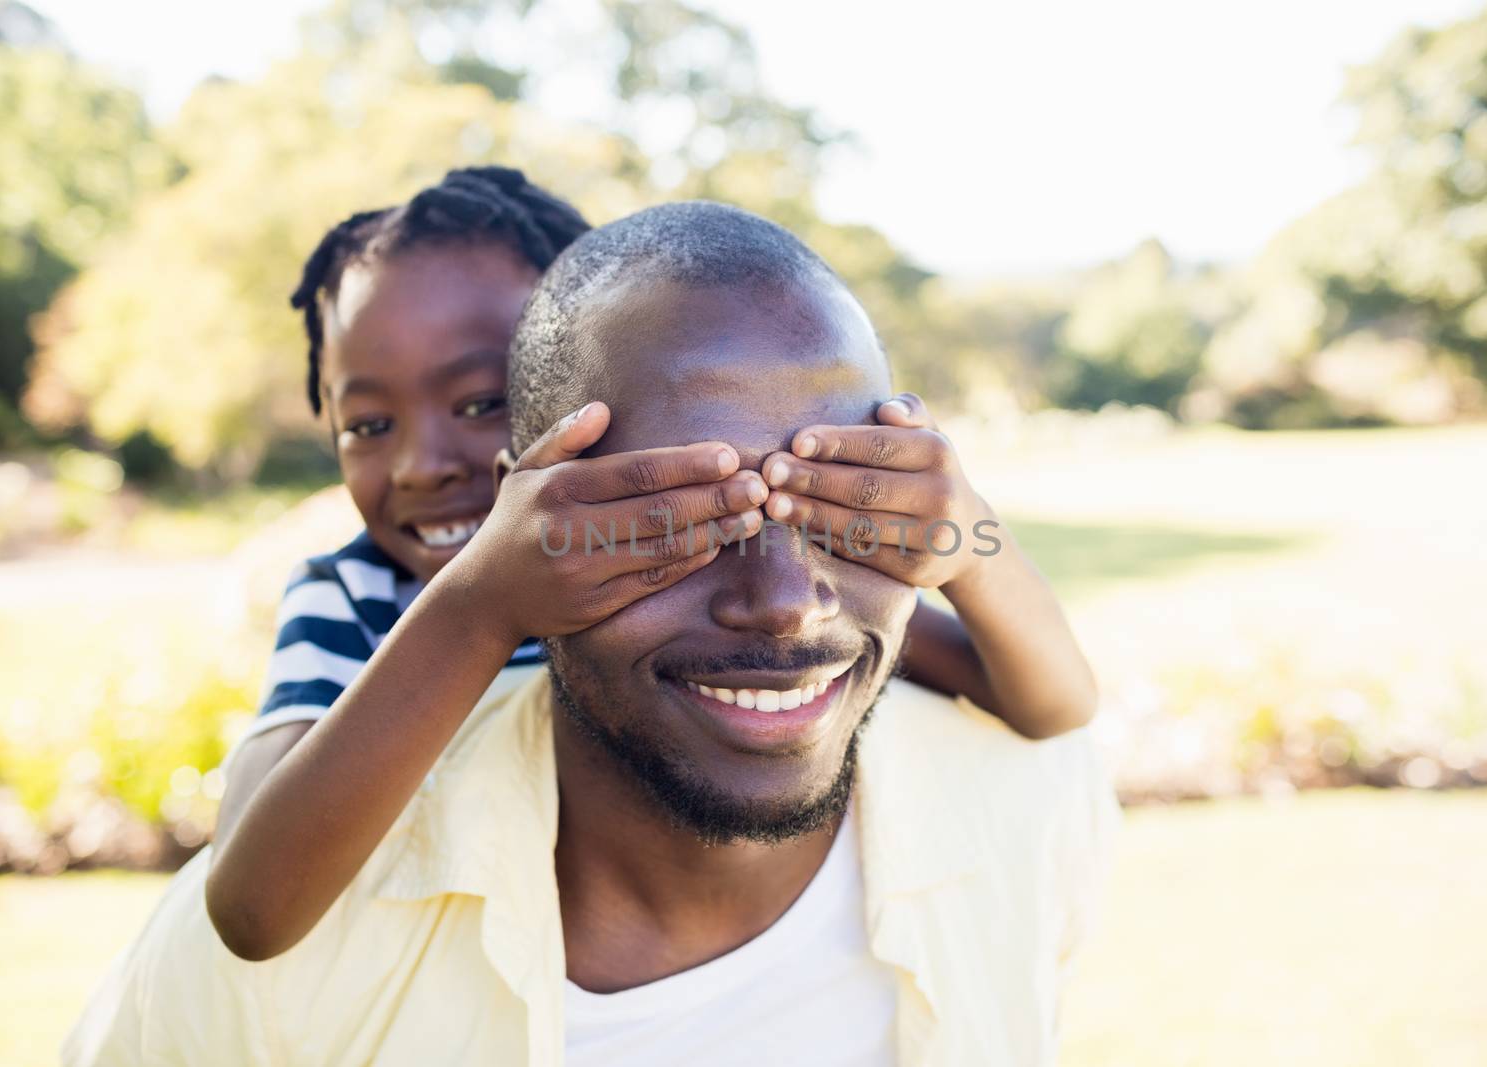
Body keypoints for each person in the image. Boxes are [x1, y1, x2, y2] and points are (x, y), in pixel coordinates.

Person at [66, 202, 1117, 1066]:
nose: (786, 602)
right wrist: (484, 599)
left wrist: (964, 534)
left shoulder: (1012, 820)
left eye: (835, 507)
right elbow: (250, 908)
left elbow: (1044, 696)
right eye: (669, 516)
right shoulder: (352, 612)